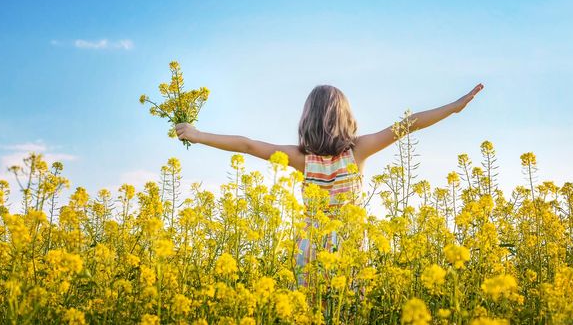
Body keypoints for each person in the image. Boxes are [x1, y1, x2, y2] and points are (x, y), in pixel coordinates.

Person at [175, 83, 484, 285]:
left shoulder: (300, 158)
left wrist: (198, 135)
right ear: (345, 117)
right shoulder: (358, 150)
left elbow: (248, 145)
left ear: (306, 119)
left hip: (309, 248)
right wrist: (454, 107)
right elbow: (409, 124)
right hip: (349, 247)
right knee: (345, 309)